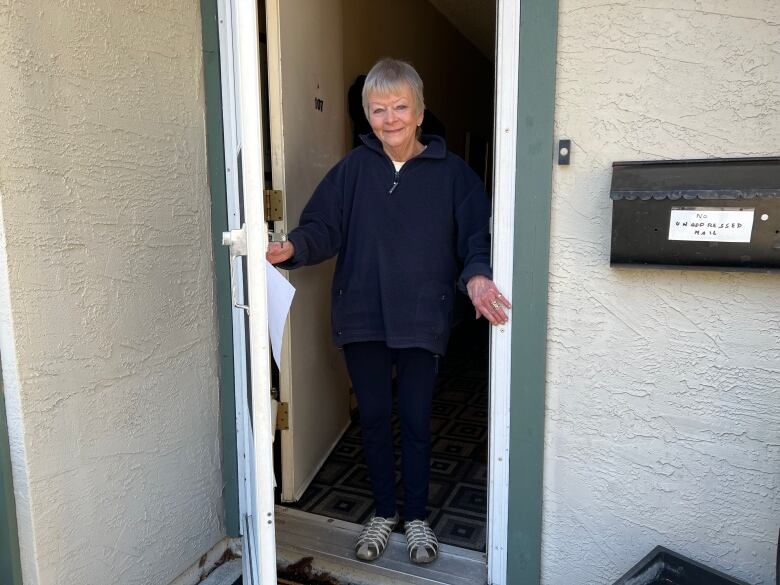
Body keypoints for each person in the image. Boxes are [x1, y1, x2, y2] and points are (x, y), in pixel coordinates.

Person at [267, 58, 510, 565]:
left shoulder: (455, 176)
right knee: (374, 418)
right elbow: (323, 227)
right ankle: (382, 511)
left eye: (401, 106)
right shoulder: (353, 170)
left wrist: (478, 276)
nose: (390, 118)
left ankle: (417, 516)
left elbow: (474, 240)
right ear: (367, 115)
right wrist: (293, 249)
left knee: (416, 418)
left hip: (423, 316)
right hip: (363, 314)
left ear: (420, 112)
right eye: (379, 109)